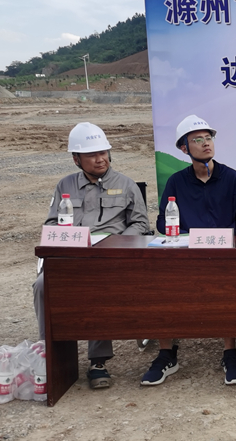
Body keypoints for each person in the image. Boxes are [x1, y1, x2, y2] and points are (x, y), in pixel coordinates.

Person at [33, 122, 150, 389]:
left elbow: (141, 224)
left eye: (103, 153)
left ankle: (98, 362)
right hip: (72, 256)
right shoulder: (65, 186)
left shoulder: (126, 185)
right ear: (76, 159)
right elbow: (51, 224)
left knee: (97, 286)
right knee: (42, 285)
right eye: (92, 155)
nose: (100, 159)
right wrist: (71, 240)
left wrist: (117, 244)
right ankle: (49, 353)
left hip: (110, 258)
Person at [142, 114, 236, 386]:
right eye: (197, 140)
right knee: (158, 283)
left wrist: (222, 241)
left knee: (229, 284)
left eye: (208, 137)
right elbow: (163, 223)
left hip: (224, 255)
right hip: (187, 255)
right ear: (184, 148)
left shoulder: (233, 178)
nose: (205, 143)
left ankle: (230, 352)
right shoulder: (176, 182)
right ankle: (167, 353)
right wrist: (186, 238)